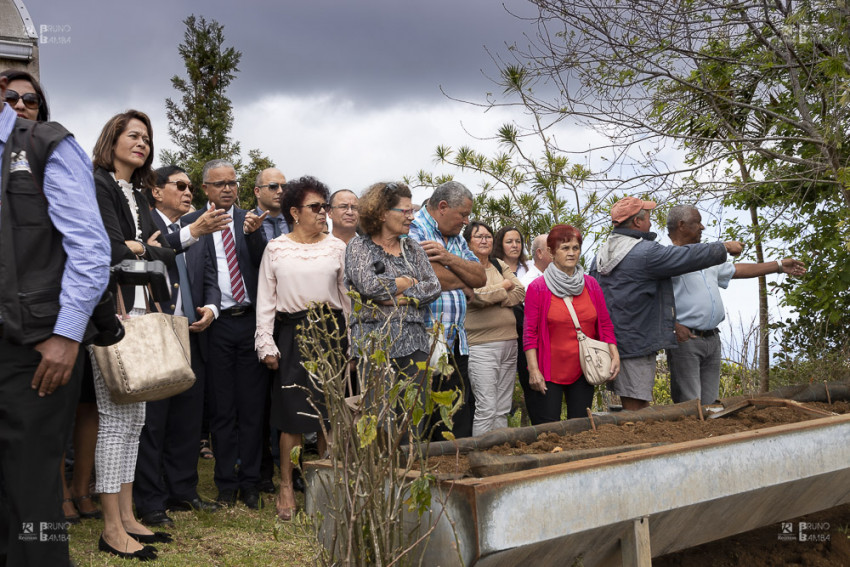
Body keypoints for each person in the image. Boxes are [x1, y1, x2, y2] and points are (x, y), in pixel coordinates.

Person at [0, 73, 110, 567]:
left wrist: (65, 336)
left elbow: (90, 249)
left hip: (38, 346)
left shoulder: (47, 144)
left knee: (33, 489)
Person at [91, 110, 175, 560]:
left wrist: (140, 246)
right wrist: (141, 246)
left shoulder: (138, 192)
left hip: (141, 309)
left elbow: (163, 248)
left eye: (146, 137)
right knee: (114, 421)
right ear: (113, 139)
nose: (142, 143)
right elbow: (107, 246)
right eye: (133, 135)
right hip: (110, 311)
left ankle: (126, 517)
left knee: (134, 422)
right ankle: (109, 528)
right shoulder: (98, 182)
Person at [133, 165, 225, 527]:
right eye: (181, 186)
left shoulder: (198, 232)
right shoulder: (144, 226)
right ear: (156, 191)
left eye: (190, 187)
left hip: (192, 334)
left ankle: (183, 491)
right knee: (153, 422)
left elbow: (212, 277)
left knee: (188, 419)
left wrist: (213, 308)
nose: (189, 193)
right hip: (155, 332)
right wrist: (189, 232)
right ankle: (151, 500)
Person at [589, 197, 743, 412]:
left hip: (620, 338)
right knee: (637, 408)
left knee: (636, 400)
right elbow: (682, 256)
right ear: (637, 222)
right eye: (649, 218)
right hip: (636, 342)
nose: (651, 224)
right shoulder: (643, 252)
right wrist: (723, 247)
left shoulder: (605, 252)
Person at [254, 176, 349, 521]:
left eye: (325, 206)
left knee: (329, 417)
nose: (323, 212)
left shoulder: (337, 247)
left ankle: (325, 487)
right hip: (292, 336)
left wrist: (352, 345)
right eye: (315, 207)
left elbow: (347, 299)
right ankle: (285, 486)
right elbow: (266, 300)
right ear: (294, 212)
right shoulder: (276, 248)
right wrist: (265, 343)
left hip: (332, 335)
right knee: (292, 417)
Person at [666, 205, 806, 404]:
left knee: (711, 404)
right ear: (681, 225)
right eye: (697, 222)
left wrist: (780, 266)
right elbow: (654, 299)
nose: (702, 227)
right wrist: (674, 326)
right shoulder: (667, 259)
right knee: (690, 405)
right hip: (686, 340)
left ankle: (712, 436)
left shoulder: (706, 257)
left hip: (712, 338)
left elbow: (737, 270)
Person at [198, 159, 267, 510]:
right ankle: (226, 482)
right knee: (223, 408)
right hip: (217, 325)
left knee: (252, 408)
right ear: (206, 189)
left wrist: (255, 236)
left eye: (232, 182)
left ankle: (251, 482)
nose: (227, 188)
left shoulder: (250, 221)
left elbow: (263, 265)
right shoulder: (197, 224)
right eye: (219, 183)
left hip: (251, 321)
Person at [345, 181, 441, 428]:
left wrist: (401, 297)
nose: (411, 217)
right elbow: (369, 287)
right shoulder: (359, 246)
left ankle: (409, 466)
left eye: (412, 211)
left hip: (415, 341)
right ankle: (382, 467)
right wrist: (408, 280)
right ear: (382, 213)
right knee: (379, 418)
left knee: (413, 416)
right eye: (405, 211)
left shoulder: (413, 248)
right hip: (373, 340)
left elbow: (433, 286)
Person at [409, 181, 486, 439]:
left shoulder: (454, 239)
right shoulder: (413, 228)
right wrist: (463, 278)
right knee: (426, 418)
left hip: (456, 344)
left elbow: (480, 277)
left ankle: (456, 472)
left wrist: (447, 257)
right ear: (442, 207)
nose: (466, 222)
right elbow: (428, 277)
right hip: (424, 341)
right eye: (462, 215)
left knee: (459, 416)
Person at [525, 225, 620, 422]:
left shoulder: (591, 285)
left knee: (581, 427)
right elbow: (530, 333)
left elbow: (604, 323)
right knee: (549, 428)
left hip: (584, 368)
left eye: (575, 248)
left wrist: (614, 353)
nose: (571, 253)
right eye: (565, 248)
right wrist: (533, 370)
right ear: (552, 252)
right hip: (549, 372)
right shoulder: (538, 288)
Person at [463, 221, 525, 436]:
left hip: (510, 342)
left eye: (488, 236)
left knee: (502, 407)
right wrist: (503, 286)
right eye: (478, 236)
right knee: (486, 407)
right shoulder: (466, 267)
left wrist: (494, 296)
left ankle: (500, 452)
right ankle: (481, 455)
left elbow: (520, 292)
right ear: (468, 242)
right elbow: (476, 297)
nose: (484, 240)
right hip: (482, 346)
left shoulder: (498, 264)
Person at [254, 167, 288, 241]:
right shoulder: (245, 223)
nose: (280, 191)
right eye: (273, 186)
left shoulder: (295, 221)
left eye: (284, 187)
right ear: (257, 192)